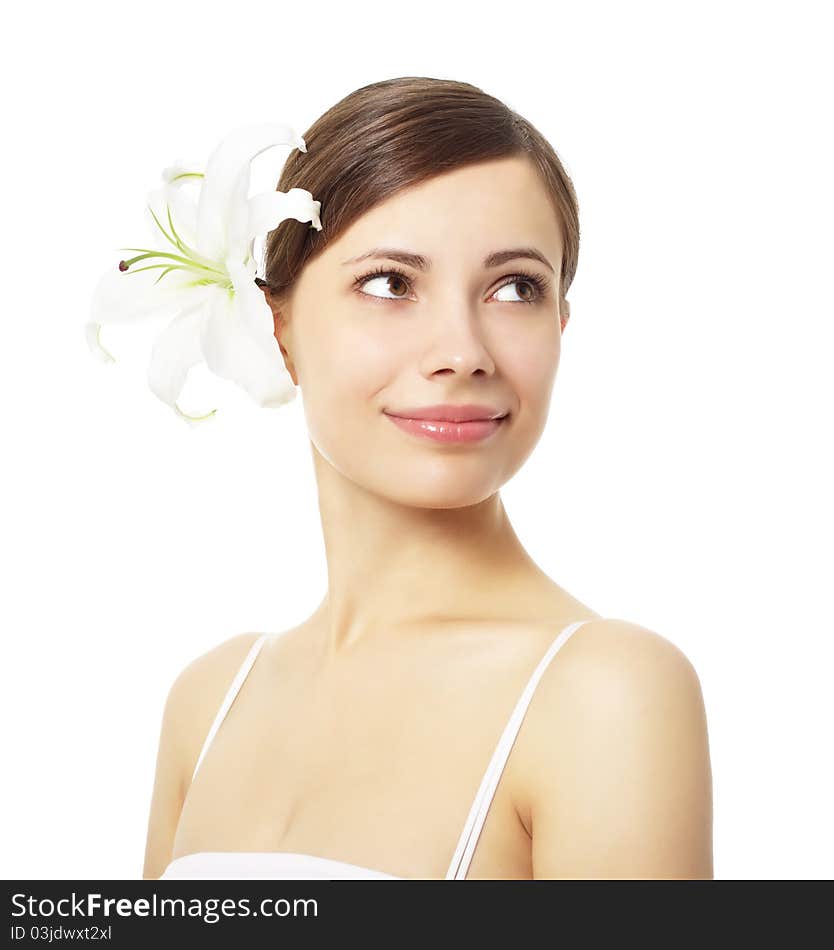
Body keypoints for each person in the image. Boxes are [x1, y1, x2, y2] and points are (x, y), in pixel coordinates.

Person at [141, 76, 713, 880]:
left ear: (560, 325)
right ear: (277, 325)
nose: (463, 350)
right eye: (390, 283)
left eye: (516, 288)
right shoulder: (208, 702)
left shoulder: (605, 697)